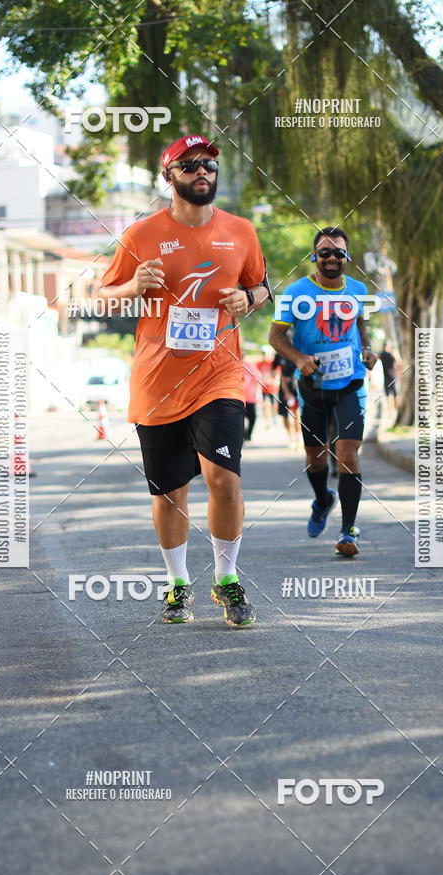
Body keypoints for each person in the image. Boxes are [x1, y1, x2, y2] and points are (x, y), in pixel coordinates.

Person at [99, 135, 271, 626]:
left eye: (211, 165)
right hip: (157, 384)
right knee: (170, 493)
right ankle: (177, 586)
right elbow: (104, 295)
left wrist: (250, 299)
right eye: (192, 165)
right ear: (169, 176)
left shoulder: (241, 231)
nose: (204, 171)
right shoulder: (141, 234)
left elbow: (261, 286)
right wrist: (134, 286)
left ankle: (227, 580)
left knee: (224, 479)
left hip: (218, 377)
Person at [269, 226, 378, 556]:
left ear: (347, 258)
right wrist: (300, 358)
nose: (332, 258)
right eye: (325, 252)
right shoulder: (294, 292)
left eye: (339, 253)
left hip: (350, 384)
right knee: (315, 460)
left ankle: (349, 531)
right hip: (312, 387)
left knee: (347, 453)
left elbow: (361, 325)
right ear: (314, 256)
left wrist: (368, 350)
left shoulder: (358, 290)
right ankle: (322, 500)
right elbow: (275, 337)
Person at [273, 353, 301, 449]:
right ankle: (291, 437)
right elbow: (276, 372)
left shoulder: (298, 350)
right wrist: (286, 392)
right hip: (284, 389)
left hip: (298, 389)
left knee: (297, 414)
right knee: (284, 415)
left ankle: (297, 437)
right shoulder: (279, 355)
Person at [379, 341, 400, 414]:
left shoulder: (382, 354)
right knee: (395, 394)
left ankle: (391, 411)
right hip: (392, 375)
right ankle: (396, 410)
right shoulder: (392, 354)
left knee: (389, 394)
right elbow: (399, 363)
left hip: (386, 376)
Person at [256, 351, 276, 426]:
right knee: (265, 404)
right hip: (263, 387)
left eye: (266, 354)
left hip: (272, 388)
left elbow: (276, 372)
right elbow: (257, 374)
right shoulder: (259, 364)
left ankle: (274, 417)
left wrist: (271, 378)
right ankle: (267, 420)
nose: (264, 355)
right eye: (263, 354)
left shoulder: (272, 363)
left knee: (273, 404)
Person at [243, 358, 261, 441]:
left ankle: (249, 434)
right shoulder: (234, 366)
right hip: (239, 398)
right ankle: (243, 435)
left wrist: (256, 392)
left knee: (252, 417)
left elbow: (257, 378)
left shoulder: (250, 366)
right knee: (240, 419)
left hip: (250, 398)